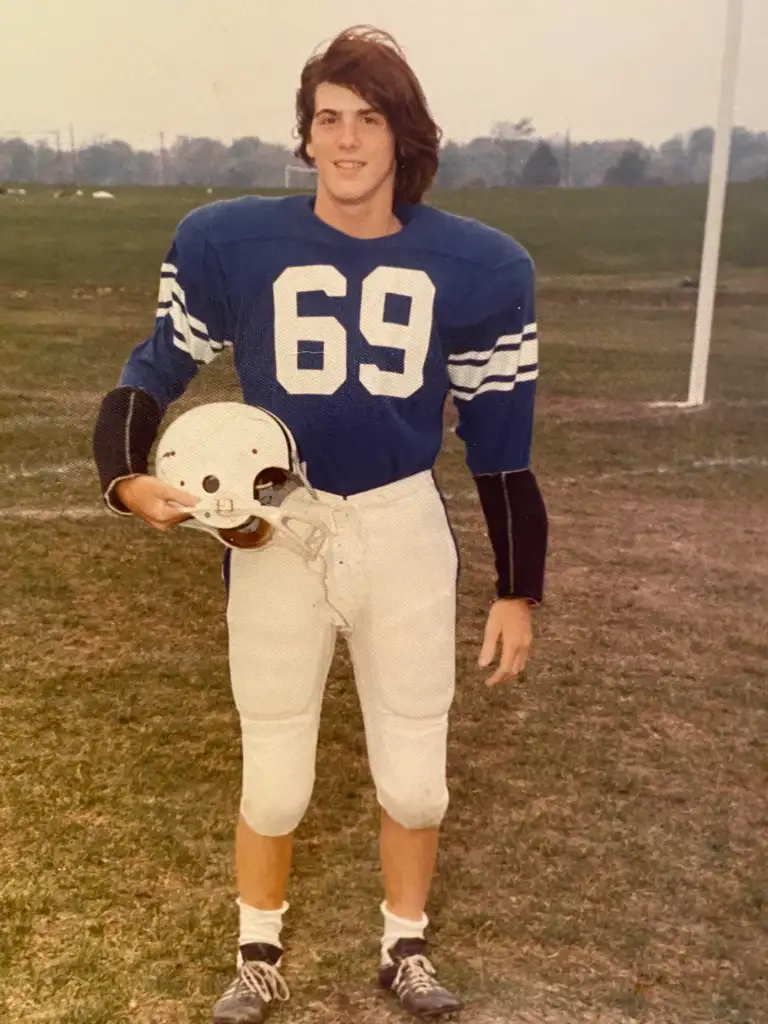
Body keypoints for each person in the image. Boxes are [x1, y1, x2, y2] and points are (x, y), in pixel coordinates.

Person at [92, 24, 548, 1024]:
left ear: (404, 135)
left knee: (417, 775)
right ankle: (257, 948)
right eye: (328, 118)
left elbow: (502, 451)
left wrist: (518, 588)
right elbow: (153, 366)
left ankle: (406, 946)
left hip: (399, 522)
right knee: (277, 766)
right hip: (279, 529)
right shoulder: (234, 241)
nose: (346, 141)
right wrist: (125, 476)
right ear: (306, 135)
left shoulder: (478, 266)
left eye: (369, 118)